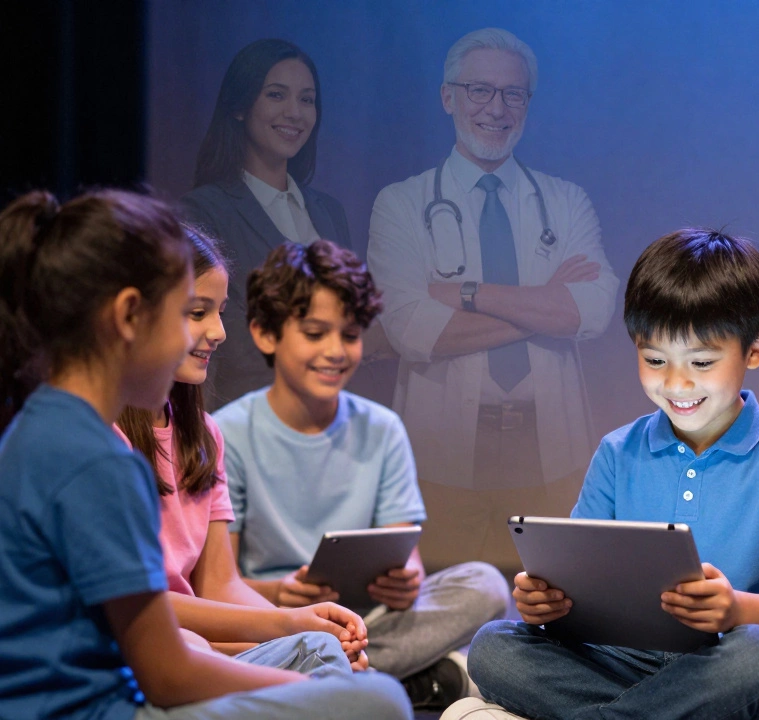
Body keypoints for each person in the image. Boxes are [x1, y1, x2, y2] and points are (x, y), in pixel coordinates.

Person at [0, 189, 411, 719]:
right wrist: (303, 685)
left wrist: (294, 635)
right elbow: (166, 672)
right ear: (129, 315)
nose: (211, 336)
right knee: (378, 701)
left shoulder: (45, 428)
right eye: (185, 315)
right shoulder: (96, 458)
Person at [445, 229, 759, 720]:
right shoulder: (617, 451)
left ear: (756, 349)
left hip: (724, 668)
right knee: (493, 646)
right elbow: (577, 580)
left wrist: (734, 609)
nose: (676, 383)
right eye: (654, 360)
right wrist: (545, 601)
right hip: (620, 662)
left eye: (702, 362)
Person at [212, 239, 509, 710]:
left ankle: (343, 674)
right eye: (315, 333)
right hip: (272, 620)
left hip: (365, 619)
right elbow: (216, 584)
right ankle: (395, 678)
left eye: (349, 335)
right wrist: (282, 592)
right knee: (232, 638)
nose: (335, 351)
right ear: (266, 334)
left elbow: (403, 551)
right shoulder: (226, 433)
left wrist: (405, 579)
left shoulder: (381, 428)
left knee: (486, 585)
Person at [367, 27, 619, 572]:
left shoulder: (566, 200)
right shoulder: (401, 204)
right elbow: (411, 330)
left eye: (514, 94)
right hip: (443, 461)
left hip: (551, 456)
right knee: (442, 615)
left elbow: (595, 311)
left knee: (556, 616)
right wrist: (546, 308)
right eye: (480, 90)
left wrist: (466, 295)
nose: (497, 109)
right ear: (448, 97)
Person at [115, 226, 369, 673]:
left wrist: (302, 627)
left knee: (331, 657)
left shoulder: (204, 434)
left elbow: (218, 581)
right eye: (197, 312)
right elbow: (135, 602)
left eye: (219, 313)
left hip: (203, 646)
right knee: (335, 670)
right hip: (143, 651)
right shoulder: (103, 435)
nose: (218, 332)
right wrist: (287, 625)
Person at [182, 39, 354, 410]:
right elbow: (229, 342)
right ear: (240, 106)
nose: (295, 112)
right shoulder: (203, 212)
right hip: (247, 426)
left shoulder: (330, 212)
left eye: (307, 100)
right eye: (277, 95)